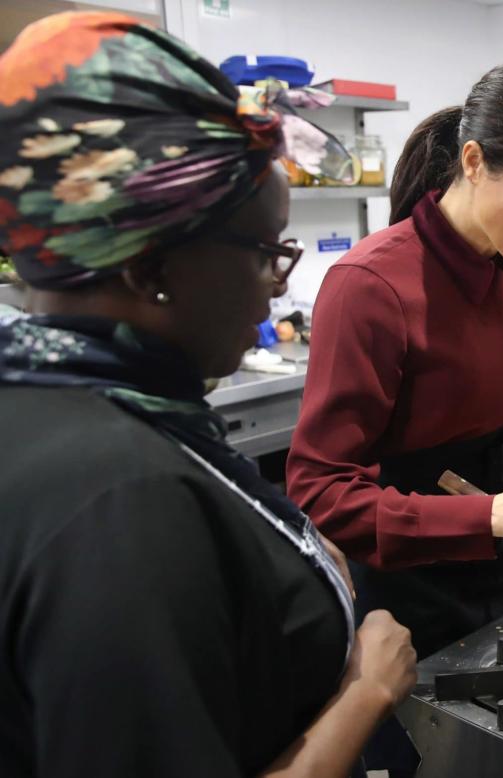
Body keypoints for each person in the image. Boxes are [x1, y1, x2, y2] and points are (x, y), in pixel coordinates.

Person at [0, 12, 417, 778]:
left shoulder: (62, 396)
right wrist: (367, 690)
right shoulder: (122, 499)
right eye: (267, 253)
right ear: (146, 268)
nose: (277, 288)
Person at [285, 62, 503, 775]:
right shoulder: (371, 287)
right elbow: (321, 492)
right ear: (473, 160)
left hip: (487, 566)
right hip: (400, 587)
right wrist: (490, 515)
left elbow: (499, 404)